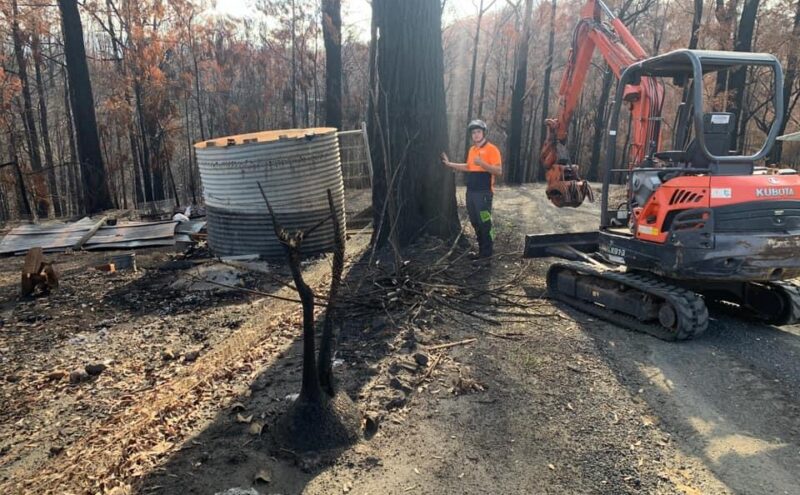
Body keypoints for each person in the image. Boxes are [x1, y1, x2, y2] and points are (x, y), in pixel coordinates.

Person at [441, 119, 503, 260]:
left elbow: (498, 171)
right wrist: (450, 164)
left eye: (478, 132)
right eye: (473, 132)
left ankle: (487, 254)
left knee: (485, 222)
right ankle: (482, 251)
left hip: (485, 194)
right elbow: (468, 167)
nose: (475, 135)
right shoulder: (472, 150)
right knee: (475, 222)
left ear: (483, 133)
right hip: (471, 193)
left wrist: (482, 163)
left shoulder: (492, 149)